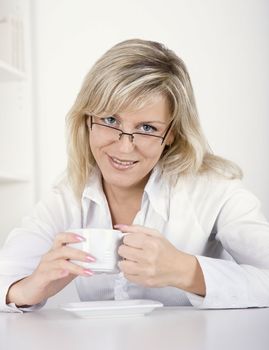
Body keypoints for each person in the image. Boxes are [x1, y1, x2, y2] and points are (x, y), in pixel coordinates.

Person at [0, 39, 268, 313]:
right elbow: (5, 276)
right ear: (86, 121)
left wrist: (187, 272)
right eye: (110, 120)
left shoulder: (215, 189)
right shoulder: (69, 194)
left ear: (171, 135)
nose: (124, 147)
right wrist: (29, 287)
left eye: (148, 128)